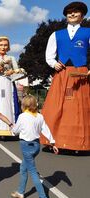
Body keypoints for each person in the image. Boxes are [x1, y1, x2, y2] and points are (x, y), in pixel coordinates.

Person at [42, 1, 90, 151]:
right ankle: (53, 140)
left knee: (79, 109)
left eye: (76, 11)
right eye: (69, 12)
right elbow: (49, 55)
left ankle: (79, 144)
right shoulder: (56, 34)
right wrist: (53, 63)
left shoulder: (88, 32)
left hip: (80, 74)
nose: (72, 14)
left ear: (82, 15)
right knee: (56, 107)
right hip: (62, 74)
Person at [11, 95, 59, 198]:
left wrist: (12, 129)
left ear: (24, 105)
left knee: (33, 172)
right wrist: (53, 143)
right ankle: (20, 192)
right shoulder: (39, 116)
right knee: (23, 168)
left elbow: (15, 131)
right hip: (36, 145)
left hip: (26, 146)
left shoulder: (22, 116)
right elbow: (45, 130)